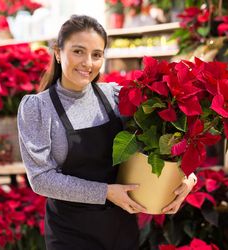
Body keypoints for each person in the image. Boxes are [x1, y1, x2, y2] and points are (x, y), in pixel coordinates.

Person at [17, 15, 197, 250]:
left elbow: (166, 135)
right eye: (78, 51)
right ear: (58, 53)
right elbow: (41, 179)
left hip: (121, 230)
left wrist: (188, 178)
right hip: (70, 235)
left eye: (97, 54)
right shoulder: (38, 108)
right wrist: (105, 193)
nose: (88, 63)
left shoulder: (115, 96)